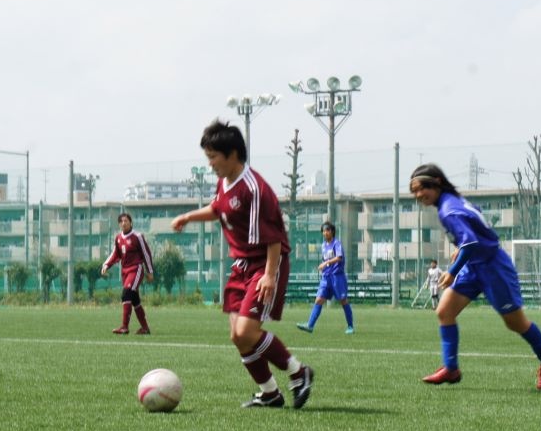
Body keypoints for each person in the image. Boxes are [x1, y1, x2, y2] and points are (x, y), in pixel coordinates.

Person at [172, 120, 314, 409]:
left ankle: (299, 372)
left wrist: (269, 275)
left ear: (232, 154)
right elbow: (217, 208)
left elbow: (274, 238)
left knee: (245, 333)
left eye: (213, 157)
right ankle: (270, 393)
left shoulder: (255, 188)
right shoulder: (225, 182)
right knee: (238, 336)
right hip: (241, 265)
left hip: (264, 264)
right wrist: (188, 217)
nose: (210, 163)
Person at [409, 163, 541, 390]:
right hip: (474, 266)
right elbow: (474, 225)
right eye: (415, 191)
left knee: (515, 323)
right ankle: (451, 368)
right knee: (444, 311)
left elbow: (470, 241)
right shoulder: (453, 201)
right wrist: (461, 248)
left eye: (422, 188)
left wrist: (452, 271)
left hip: (493, 267)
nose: (419, 195)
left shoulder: (448, 210)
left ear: (437, 182)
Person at [101, 212, 154, 334]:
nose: (123, 223)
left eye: (126, 221)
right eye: (121, 221)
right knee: (134, 299)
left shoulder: (137, 236)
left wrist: (150, 271)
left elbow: (146, 253)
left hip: (136, 269)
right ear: (119, 224)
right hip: (125, 272)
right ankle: (145, 328)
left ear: (131, 223)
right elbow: (115, 253)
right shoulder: (118, 238)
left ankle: (124, 327)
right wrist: (106, 265)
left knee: (126, 294)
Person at [296, 221, 354, 334]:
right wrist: (324, 266)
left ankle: (350, 326)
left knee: (343, 301)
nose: (325, 233)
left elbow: (339, 258)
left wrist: (326, 263)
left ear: (332, 232)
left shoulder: (336, 243)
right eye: (323, 231)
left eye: (327, 230)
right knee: (319, 300)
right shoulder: (323, 246)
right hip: (326, 278)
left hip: (337, 277)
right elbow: (326, 260)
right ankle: (310, 325)